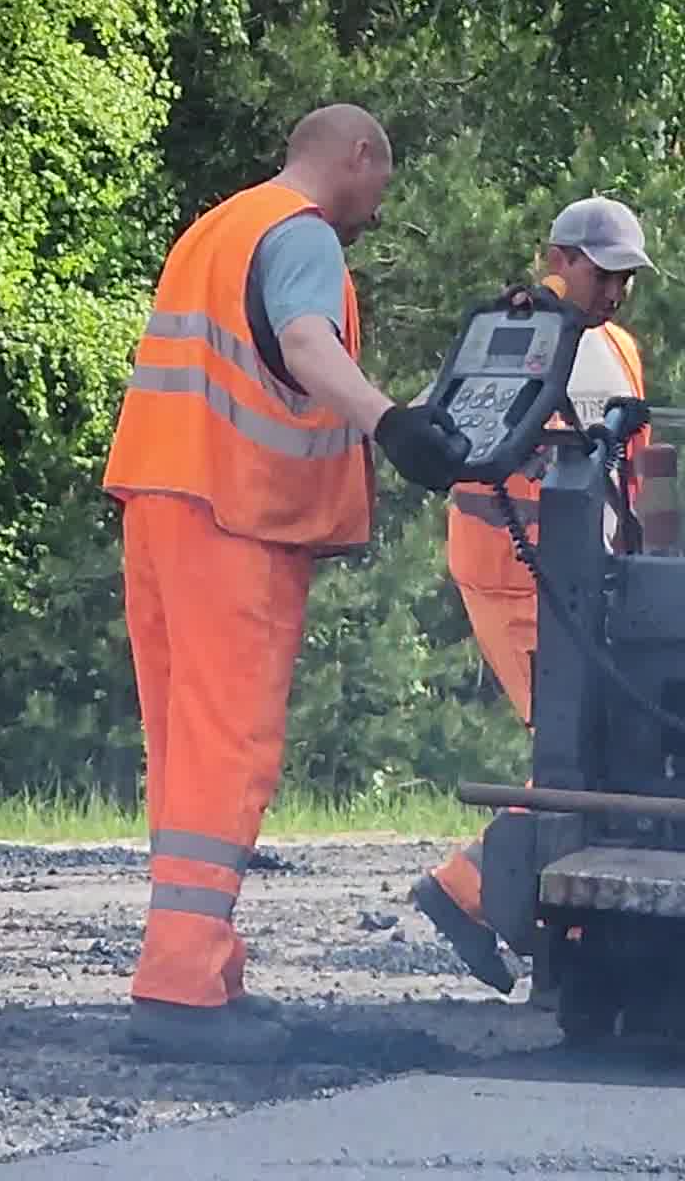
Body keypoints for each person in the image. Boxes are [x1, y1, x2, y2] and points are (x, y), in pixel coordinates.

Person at [102, 103, 469, 1061]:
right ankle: (183, 992)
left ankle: (198, 966)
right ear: (355, 157)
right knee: (231, 749)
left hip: (164, 503)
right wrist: (390, 422)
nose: (378, 212)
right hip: (236, 518)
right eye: (381, 185)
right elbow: (307, 345)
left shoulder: (217, 229)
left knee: (187, 749)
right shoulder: (298, 236)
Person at [413, 194, 656, 997]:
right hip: (516, 568)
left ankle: (549, 907)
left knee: (591, 743)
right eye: (603, 272)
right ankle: (469, 893)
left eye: (626, 277)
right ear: (559, 258)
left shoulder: (617, 347)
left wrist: (663, 563)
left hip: (589, 574)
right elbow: (449, 422)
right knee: (571, 746)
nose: (615, 290)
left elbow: (640, 464)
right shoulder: (518, 336)